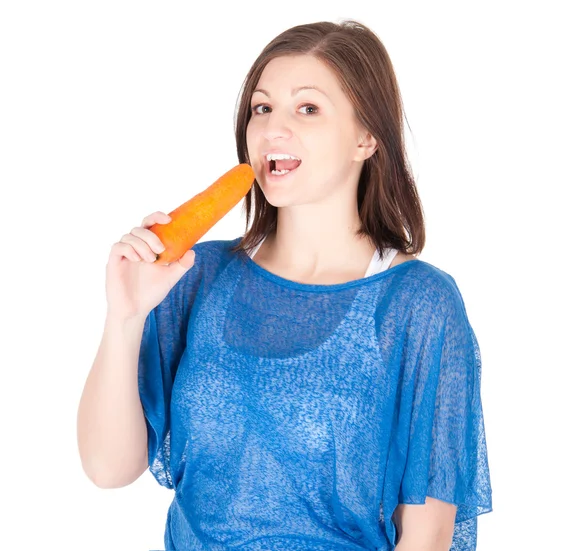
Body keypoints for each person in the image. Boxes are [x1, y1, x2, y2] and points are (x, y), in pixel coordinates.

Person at [77, 19, 493, 551]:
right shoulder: (192, 276)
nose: (273, 128)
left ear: (366, 138)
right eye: (262, 108)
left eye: (308, 108)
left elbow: (428, 536)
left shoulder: (417, 304)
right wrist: (126, 315)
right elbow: (107, 468)